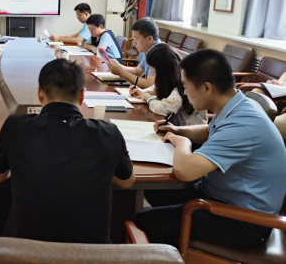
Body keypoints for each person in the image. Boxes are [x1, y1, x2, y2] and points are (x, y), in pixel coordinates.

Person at [134, 49, 286, 249]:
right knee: (155, 192)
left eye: (186, 87)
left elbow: (185, 171)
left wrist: (183, 142)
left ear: (206, 88)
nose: (185, 93)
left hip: (245, 221)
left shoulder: (243, 125)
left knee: (145, 222)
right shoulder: (239, 104)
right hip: (220, 194)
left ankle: (172, 253)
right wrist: (178, 130)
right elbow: (210, 130)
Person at [0, 59, 135, 243]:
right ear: (82, 96)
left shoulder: (15, 126)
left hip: (26, 253)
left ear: (40, 94)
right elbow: (127, 181)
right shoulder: (108, 133)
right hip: (92, 254)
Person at [130, 44, 207, 126]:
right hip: (178, 128)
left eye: (153, 71)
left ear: (163, 71)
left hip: (189, 130)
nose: (153, 73)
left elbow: (162, 108)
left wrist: (149, 98)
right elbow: (158, 87)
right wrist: (144, 91)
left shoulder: (183, 85)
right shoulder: (175, 76)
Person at [107, 17, 162, 89]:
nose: (134, 43)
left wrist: (121, 72)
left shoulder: (158, 53)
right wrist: (118, 66)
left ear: (149, 39)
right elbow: (137, 72)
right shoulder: (150, 50)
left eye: (136, 39)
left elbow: (149, 84)